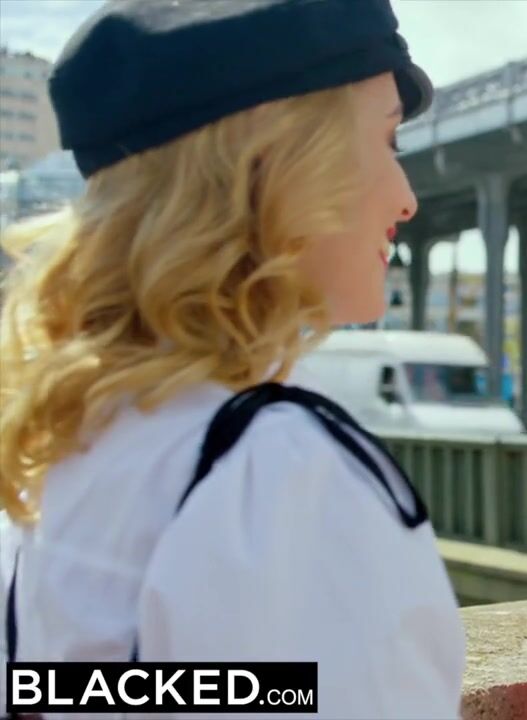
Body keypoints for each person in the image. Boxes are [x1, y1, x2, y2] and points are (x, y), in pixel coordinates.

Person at [0, 1, 465, 717]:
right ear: (277, 164)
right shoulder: (276, 474)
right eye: (387, 139)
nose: (407, 200)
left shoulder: (63, 446)